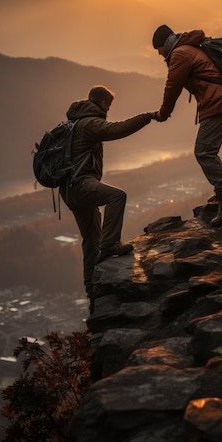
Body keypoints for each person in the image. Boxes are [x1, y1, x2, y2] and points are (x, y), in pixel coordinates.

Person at [60, 85, 155, 309]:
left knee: (90, 240)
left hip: (69, 190)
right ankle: (110, 245)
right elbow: (117, 130)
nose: (109, 109)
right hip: (82, 185)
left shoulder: (73, 122)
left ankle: (91, 290)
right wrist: (147, 117)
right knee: (117, 197)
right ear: (103, 103)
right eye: (109, 105)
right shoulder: (89, 122)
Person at [151, 24, 222, 226]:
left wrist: (163, 113)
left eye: (158, 49)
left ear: (164, 44)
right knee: (208, 151)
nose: (159, 54)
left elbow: (172, 86)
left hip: (217, 103)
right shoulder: (187, 48)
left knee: (204, 151)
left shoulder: (180, 54)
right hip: (219, 101)